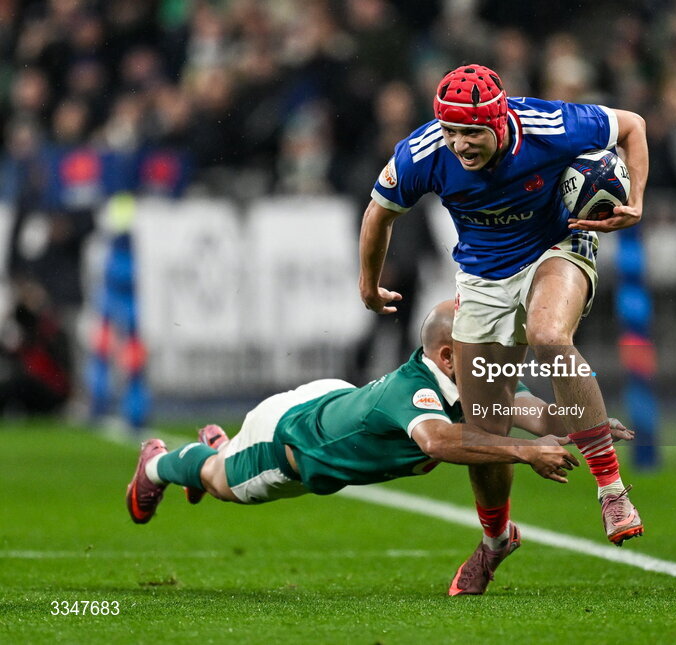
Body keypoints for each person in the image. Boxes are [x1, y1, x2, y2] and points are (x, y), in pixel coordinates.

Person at [358, 66, 649, 588]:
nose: (460, 144)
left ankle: (611, 489)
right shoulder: (422, 154)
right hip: (483, 277)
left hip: (556, 247)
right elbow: (378, 215)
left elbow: (632, 125)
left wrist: (637, 203)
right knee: (486, 426)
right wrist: (367, 285)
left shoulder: (549, 124)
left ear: (500, 119)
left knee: (548, 334)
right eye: (451, 131)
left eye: (472, 132)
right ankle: (495, 543)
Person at [125, 300, 634, 594]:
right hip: (291, 445)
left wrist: (584, 424)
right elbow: (436, 438)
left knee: (224, 462)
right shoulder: (415, 391)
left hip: (332, 403)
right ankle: (159, 464)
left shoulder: (474, 381)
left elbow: (533, 412)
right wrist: (526, 452)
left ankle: (220, 446)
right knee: (219, 481)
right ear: (448, 356)